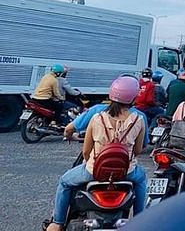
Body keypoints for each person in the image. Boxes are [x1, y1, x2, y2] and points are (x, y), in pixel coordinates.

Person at [45, 76, 146, 231]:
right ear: (133, 97)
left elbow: (86, 151)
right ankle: (141, 221)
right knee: (141, 180)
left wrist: (90, 163)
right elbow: (138, 150)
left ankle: (57, 223)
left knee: (64, 182)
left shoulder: (97, 117)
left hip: (94, 171)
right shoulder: (139, 119)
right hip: (126, 171)